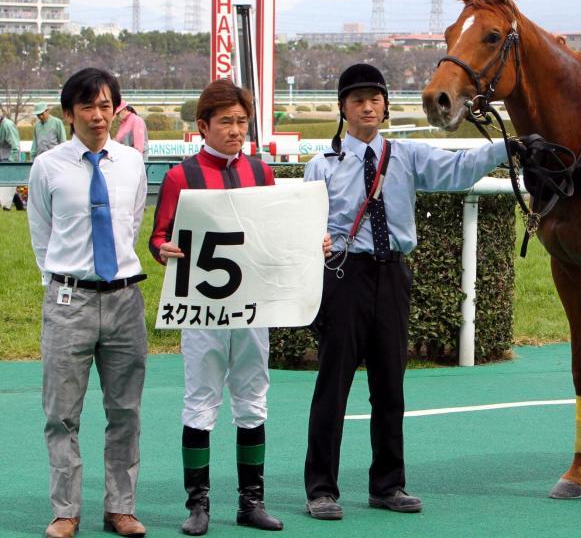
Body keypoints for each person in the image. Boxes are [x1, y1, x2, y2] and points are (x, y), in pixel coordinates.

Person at [302, 64, 509, 520]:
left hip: (393, 275)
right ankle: (321, 489)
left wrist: (504, 148)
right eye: (357, 99)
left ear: (385, 106)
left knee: (390, 388)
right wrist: (313, 239)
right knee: (332, 388)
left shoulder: (407, 154)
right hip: (343, 277)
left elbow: (457, 170)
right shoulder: (322, 164)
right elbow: (302, 224)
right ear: (343, 108)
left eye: (374, 98)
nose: (367, 106)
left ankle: (388, 485)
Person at [150, 79, 283, 535]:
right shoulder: (179, 176)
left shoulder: (263, 173)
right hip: (202, 309)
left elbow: (275, 234)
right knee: (200, 401)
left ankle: (252, 502)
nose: (235, 130)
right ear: (203, 125)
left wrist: (310, 242)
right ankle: (198, 506)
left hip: (252, 308)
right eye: (225, 121)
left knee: (253, 401)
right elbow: (158, 235)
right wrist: (162, 249)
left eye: (242, 121)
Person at [27, 68, 149, 538]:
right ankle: (65, 511)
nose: (98, 117)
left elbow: (131, 224)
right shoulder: (48, 166)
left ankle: (121, 507)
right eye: (87, 108)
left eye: (105, 106)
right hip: (68, 301)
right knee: (61, 413)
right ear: (68, 114)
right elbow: (42, 233)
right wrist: (59, 279)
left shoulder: (131, 163)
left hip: (123, 300)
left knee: (125, 412)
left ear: (116, 109)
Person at [0, 111, 25, 210]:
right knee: (8, 185)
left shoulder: (8, 126)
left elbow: (15, 146)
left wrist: (11, 163)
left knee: (8, 184)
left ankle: (6, 206)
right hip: (3, 158)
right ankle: (19, 206)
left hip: (10, 160)